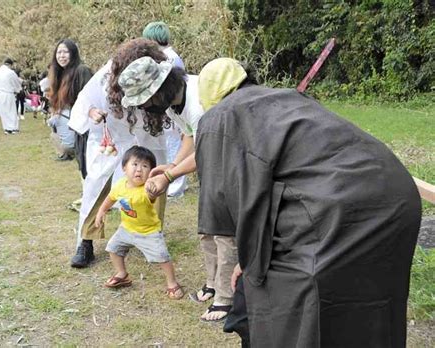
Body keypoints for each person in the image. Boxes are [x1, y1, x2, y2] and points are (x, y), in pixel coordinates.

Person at [193, 58, 420, 347]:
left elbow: (230, 205)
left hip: (336, 207)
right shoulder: (287, 97)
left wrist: (250, 262)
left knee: (297, 304)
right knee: (372, 304)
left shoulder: (220, 117)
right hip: (396, 194)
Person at [118, 56, 237, 322]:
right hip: (211, 164)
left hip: (231, 161)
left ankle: (226, 297)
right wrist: (171, 164)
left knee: (225, 232)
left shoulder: (199, 100)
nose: (144, 106)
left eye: (145, 100)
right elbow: (191, 137)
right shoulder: (172, 105)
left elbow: (209, 148)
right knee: (208, 227)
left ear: (159, 90)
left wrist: (170, 176)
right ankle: (213, 283)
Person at [68, 38, 168, 268]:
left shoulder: (159, 73)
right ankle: (86, 240)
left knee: (154, 186)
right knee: (97, 188)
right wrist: (92, 111)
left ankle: (150, 236)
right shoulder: (106, 76)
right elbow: (85, 101)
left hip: (148, 139)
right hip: (113, 140)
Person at [95, 145, 184, 299]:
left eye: (145, 166)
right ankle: (122, 274)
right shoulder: (120, 185)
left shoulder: (148, 188)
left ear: (151, 172)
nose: (139, 170)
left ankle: (172, 283)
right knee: (113, 249)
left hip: (148, 232)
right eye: (134, 164)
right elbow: (110, 198)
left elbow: (153, 193)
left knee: (162, 257)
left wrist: (156, 181)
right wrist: (101, 211)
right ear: (124, 168)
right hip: (126, 229)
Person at [143, 21, 187, 198]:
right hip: (172, 111)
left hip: (177, 109)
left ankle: (176, 187)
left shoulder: (170, 57)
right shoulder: (167, 55)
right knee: (172, 144)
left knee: (175, 143)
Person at [48, 39, 93, 179]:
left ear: (73, 53)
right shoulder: (59, 74)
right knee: (81, 161)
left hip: (86, 125)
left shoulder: (82, 70)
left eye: (65, 52)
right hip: (74, 125)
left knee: (88, 161)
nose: (61, 56)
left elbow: (90, 98)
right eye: (59, 52)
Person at [0, 58, 22, 134]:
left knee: (3, 111)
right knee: (11, 110)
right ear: (10, 65)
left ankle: (7, 128)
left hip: (0, 94)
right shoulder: (11, 73)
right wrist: (17, 90)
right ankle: (14, 128)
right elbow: (16, 83)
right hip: (9, 93)